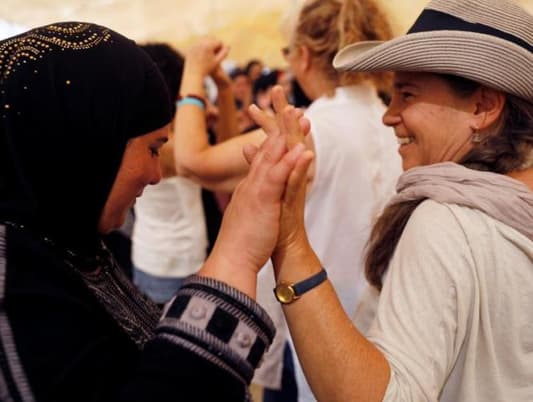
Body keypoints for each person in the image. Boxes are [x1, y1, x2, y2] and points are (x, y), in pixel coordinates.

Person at [0, 21, 312, 401]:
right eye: (151, 149)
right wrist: (238, 251)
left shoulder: (64, 243)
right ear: (89, 139)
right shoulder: (14, 279)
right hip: (163, 262)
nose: (156, 174)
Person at [245, 0, 533, 400]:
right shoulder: (512, 205)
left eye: (407, 95)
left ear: (483, 107)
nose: (389, 115)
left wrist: (291, 241)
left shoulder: (448, 222)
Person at [173, 1, 400, 400]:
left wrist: (192, 74)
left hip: (313, 330)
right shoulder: (396, 127)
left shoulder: (311, 130)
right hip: (381, 336)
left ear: (305, 55)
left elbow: (192, 163)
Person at [131, 42, 233, 305]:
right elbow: (218, 162)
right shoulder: (155, 142)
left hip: (181, 255)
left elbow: (225, 149)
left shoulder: (174, 136)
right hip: (165, 265)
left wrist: (224, 88)